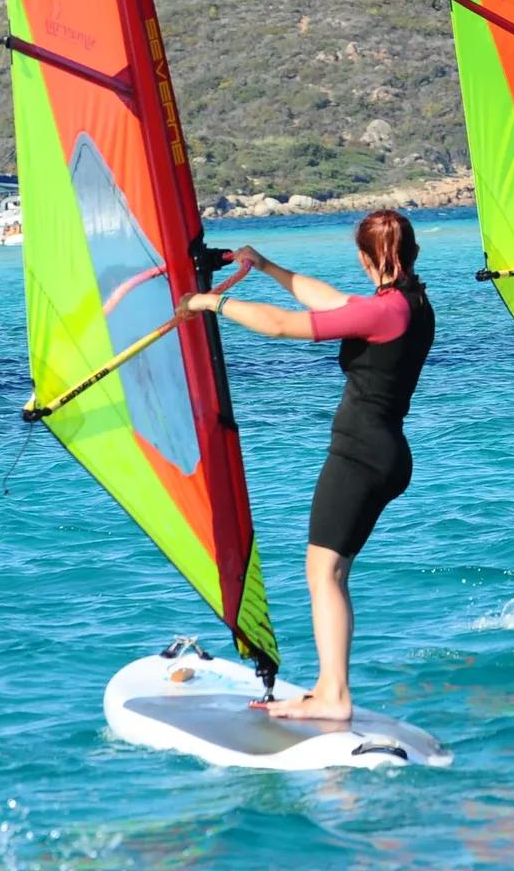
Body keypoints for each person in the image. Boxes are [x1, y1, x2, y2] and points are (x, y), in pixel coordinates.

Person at [181, 210, 435, 719]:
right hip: (382, 449)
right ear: (412, 253)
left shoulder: (384, 312)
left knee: (324, 572)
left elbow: (278, 326)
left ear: (365, 258)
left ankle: (334, 695)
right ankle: (329, 687)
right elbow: (327, 299)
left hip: (361, 454)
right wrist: (269, 267)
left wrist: (211, 302)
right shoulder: (406, 304)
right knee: (330, 572)